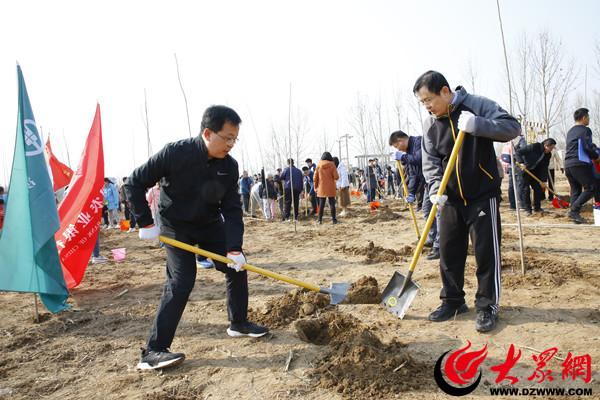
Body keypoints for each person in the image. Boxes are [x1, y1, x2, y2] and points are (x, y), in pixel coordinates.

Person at [125, 105, 268, 371]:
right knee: (182, 280)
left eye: (235, 139)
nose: (231, 144)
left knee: (237, 266)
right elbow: (134, 182)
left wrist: (234, 247)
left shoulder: (229, 166)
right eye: (227, 138)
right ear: (207, 133)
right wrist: (145, 221)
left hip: (209, 223)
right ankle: (153, 350)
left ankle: (238, 323)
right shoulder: (175, 153)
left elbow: (232, 209)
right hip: (175, 225)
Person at [414, 70, 520, 333]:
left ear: (445, 92)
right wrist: (436, 188)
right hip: (449, 199)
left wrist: (478, 125)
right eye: (422, 102)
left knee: (486, 253)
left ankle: (487, 305)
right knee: (449, 252)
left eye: (429, 99)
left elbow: (512, 127)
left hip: (482, 195)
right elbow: (430, 162)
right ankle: (452, 301)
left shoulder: (478, 105)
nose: (427, 106)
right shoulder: (429, 124)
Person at [389, 130, 439, 259]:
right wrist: (411, 193)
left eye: (396, 146)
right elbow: (413, 175)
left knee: (438, 213)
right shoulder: (408, 152)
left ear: (400, 141)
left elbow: (420, 159)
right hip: (428, 184)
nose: (397, 149)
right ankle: (432, 237)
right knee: (427, 211)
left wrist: (403, 157)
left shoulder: (419, 142)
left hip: (438, 180)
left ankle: (439, 246)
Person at [564, 108, 600, 224]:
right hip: (579, 162)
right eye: (588, 117)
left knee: (576, 190)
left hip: (568, 164)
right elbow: (587, 147)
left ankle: (575, 216)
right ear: (584, 118)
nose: (589, 119)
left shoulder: (570, 131)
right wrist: (596, 157)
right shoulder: (585, 130)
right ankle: (574, 210)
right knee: (591, 187)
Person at [515, 138, 556, 214]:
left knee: (538, 189)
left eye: (552, 148)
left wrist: (543, 180)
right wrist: (521, 163)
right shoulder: (534, 146)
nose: (551, 150)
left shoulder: (548, 155)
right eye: (550, 148)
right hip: (524, 169)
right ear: (545, 145)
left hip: (535, 172)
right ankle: (527, 209)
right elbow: (518, 152)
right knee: (525, 189)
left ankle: (537, 207)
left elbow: (544, 167)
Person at [313, 152, 339, 224]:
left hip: (321, 187)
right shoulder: (332, 165)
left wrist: (315, 187)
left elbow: (315, 178)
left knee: (321, 204)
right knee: (332, 204)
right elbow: (336, 177)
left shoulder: (318, 165)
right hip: (330, 187)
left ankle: (319, 220)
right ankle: (334, 220)